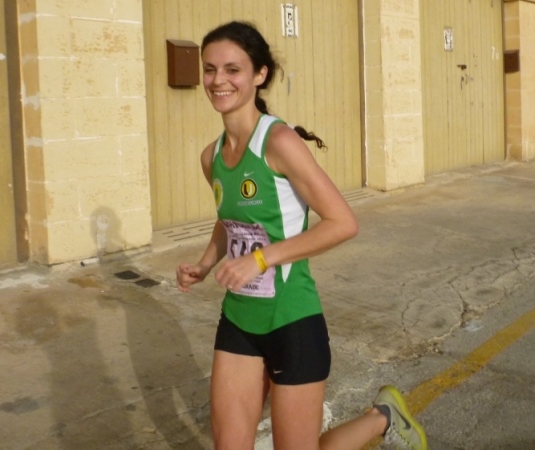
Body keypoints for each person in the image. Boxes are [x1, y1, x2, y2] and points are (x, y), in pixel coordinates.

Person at [176, 21, 428, 450]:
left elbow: (342, 222)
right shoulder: (211, 157)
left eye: (233, 70)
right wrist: (205, 264)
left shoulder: (278, 141)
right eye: (210, 69)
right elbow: (230, 220)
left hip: (291, 320)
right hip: (239, 320)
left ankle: (383, 419)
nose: (218, 81)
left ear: (260, 74)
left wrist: (261, 259)